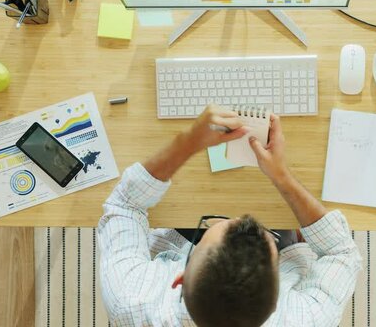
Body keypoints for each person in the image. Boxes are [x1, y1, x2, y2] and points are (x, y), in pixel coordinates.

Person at [98, 105, 362, 327]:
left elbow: (125, 206)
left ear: (179, 278)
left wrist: (190, 141)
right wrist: (281, 176)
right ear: (277, 301)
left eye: (223, 226)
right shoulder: (306, 318)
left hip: (179, 238)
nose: (234, 216)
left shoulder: (131, 300)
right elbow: (341, 252)